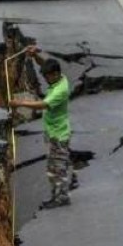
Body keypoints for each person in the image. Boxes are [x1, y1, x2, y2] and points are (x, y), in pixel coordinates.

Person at [10, 47, 77, 209]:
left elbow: (42, 105)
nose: (45, 79)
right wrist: (35, 56)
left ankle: (61, 197)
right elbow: (45, 65)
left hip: (59, 134)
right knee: (55, 164)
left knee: (56, 167)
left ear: (54, 75)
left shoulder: (60, 90)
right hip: (53, 131)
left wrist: (20, 103)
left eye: (47, 77)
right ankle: (63, 187)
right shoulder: (59, 78)